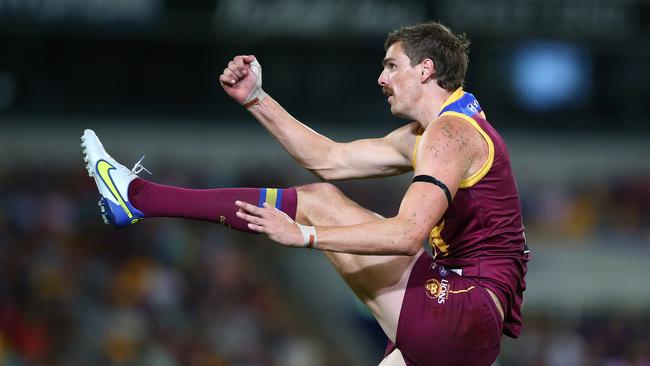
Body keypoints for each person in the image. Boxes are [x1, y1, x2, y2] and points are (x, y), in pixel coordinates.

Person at [81, 21, 528, 366]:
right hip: (463, 317)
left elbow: (408, 234)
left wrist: (305, 236)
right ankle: (138, 198)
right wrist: (257, 98)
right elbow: (330, 158)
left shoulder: (448, 135)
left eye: (392, 65)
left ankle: (139, 196)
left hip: (462, 311)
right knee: (322, 192)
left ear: (426, 70)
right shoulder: (438, 131)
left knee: (319, 204)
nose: (381, 78)